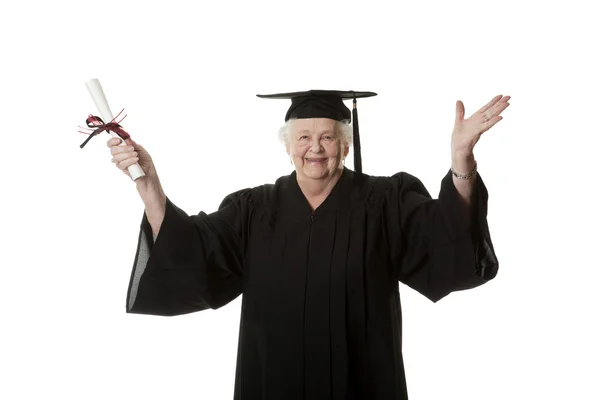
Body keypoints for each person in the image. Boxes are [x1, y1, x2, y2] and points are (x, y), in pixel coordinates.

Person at [108, 90, 508, 399]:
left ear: (345, 146)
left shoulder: (386, 202)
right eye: (303, 137)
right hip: (273, 386)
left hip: (363, 386)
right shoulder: (252, 209)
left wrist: (461, 161)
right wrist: (148, 184)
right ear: (287, 145)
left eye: (327, 138)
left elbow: (446, 240)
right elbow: (194, 253)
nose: (315, 148)